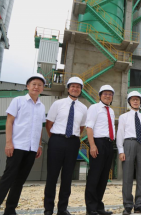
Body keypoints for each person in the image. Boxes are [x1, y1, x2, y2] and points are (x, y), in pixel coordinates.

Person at [0, 74, 46, 215]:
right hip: (17, 146)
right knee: (8, 179)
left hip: (31, 149)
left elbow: (39, 127)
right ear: (28, 86)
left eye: (39, 85)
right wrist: (8, 143)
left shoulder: (41, 106)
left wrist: (39, 145)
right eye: (33, 84)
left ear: (42, 88)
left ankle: (10, 210)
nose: (36, 87)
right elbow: (9, 122)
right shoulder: (18, 101)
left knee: (20, 181)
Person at [44, 76, 88, 215]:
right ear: (68, 88)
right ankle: (48, 209)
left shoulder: (83, 108)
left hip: (73, 142)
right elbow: (49, 124)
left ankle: (62, 209)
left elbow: (81, 127)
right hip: (56, 140)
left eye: (78, 87)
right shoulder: (58, 103)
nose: (75, 89)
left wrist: (71, 138)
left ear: (81, 90)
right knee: (52, 175)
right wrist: (56, 138)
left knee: (67, 176)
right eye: (73, 86)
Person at [116, 91, 141, 215]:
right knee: (127, 176)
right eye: (133, 99)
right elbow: (120, 134)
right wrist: (121, 150)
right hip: (129, 143)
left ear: (140, 102)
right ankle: (127, 205)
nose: (135, 101)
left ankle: (138, 204)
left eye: (137, 99)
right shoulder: (123, 117)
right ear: (129, 102)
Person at [84, 85, 116, 215]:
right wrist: (92, 145)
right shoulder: (94, 108)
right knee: (94, 176)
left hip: (109, 144)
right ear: (100, 95)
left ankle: (99, 207)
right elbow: (89, 127)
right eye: (105, 93)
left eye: (110, 94)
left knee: (103, 177)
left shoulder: (111, 111)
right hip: (98, 143)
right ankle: (90, 208)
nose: (108, 96)